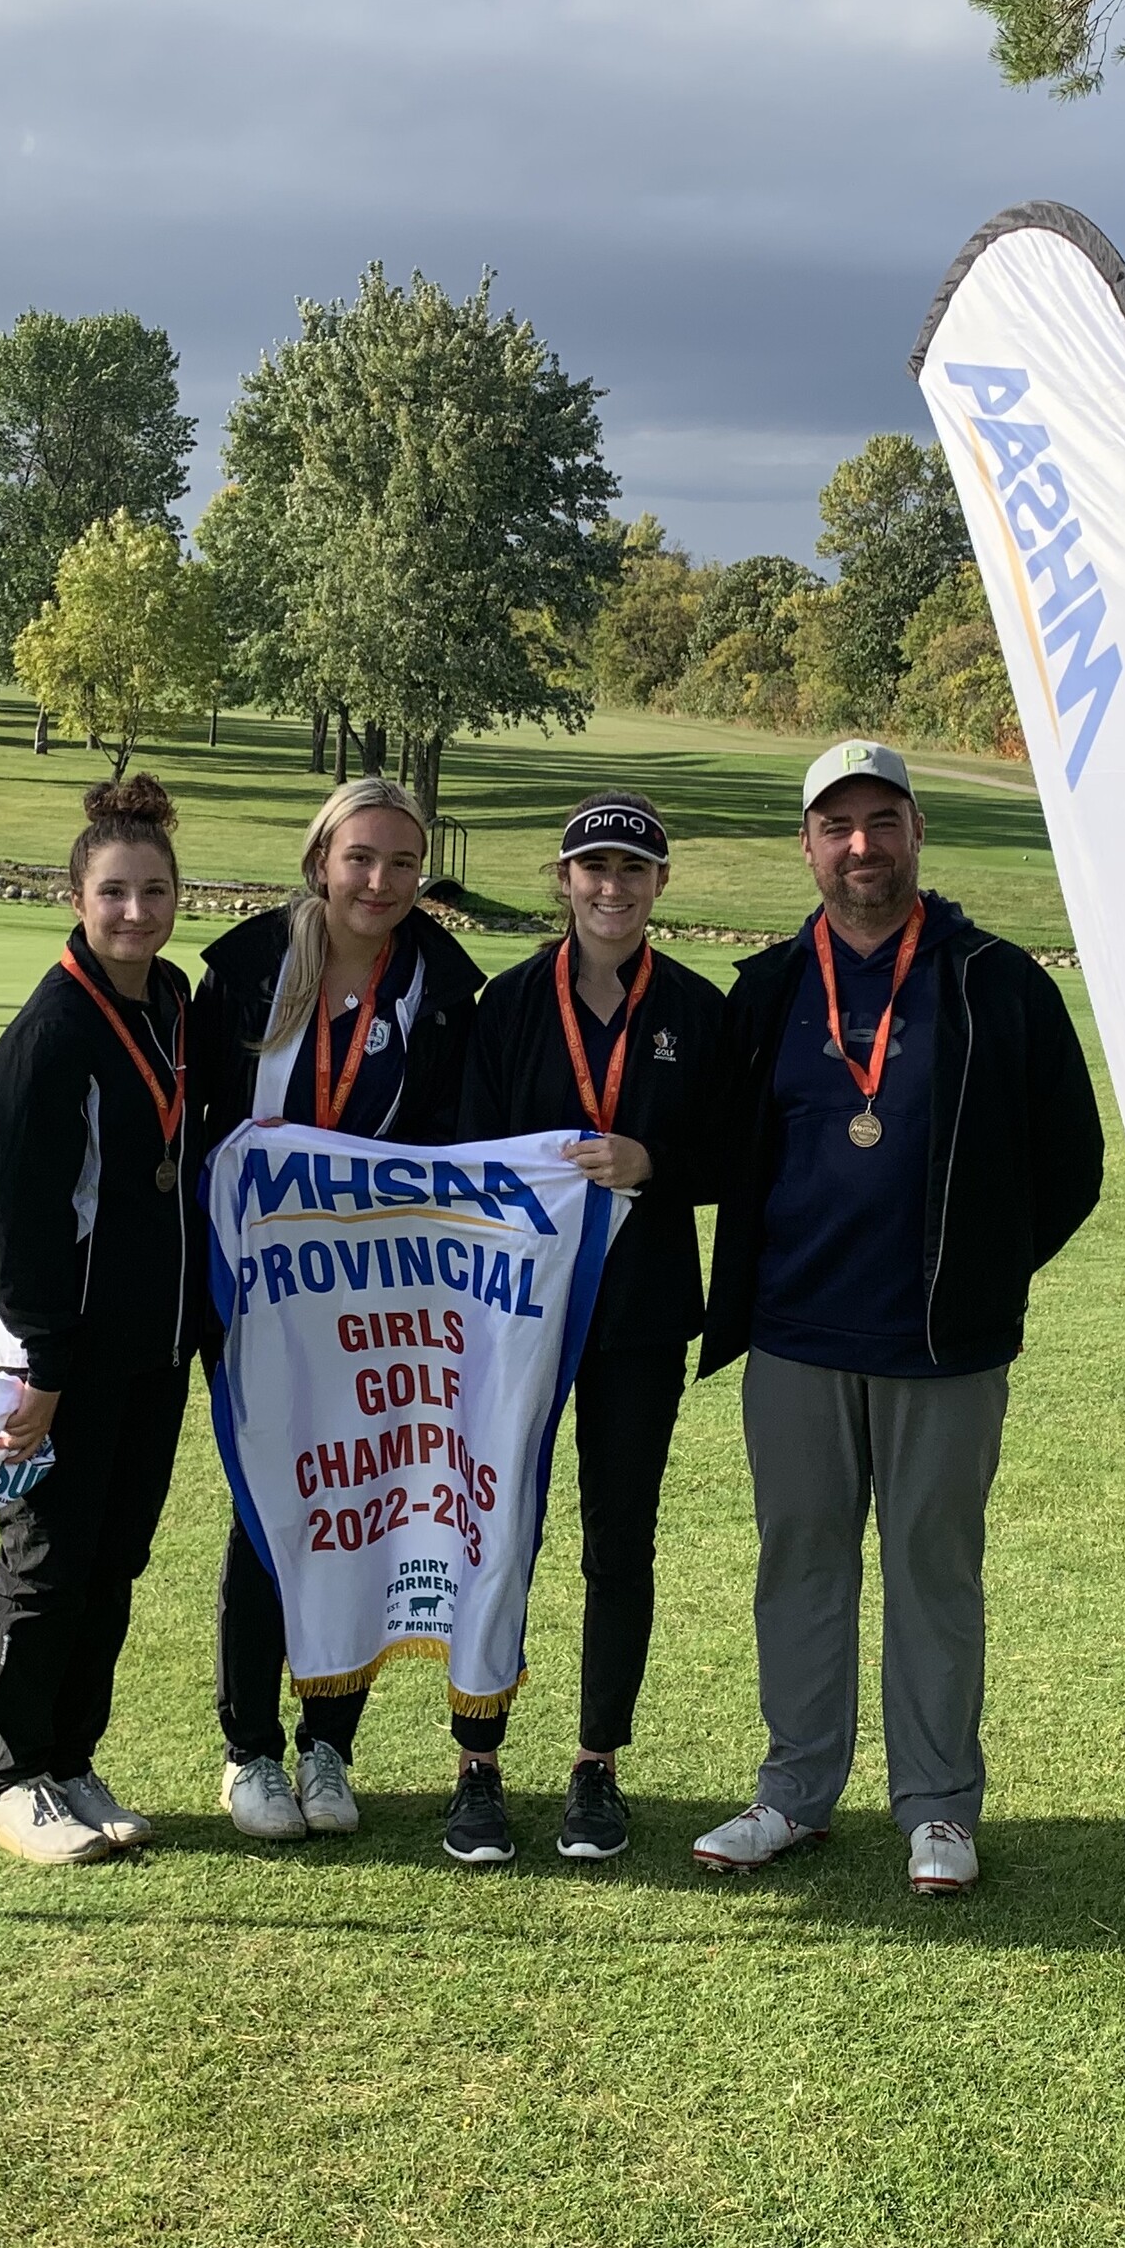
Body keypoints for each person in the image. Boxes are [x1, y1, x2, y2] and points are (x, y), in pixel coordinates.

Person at [688, 741, 1101, 1896]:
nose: (860, 845)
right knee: (799, 1568)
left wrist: (985, 1281)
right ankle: (796, 1793)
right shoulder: (768, 989)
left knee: (934, 1573)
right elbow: (723, 1150)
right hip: (795, 1340)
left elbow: (1069, 1162)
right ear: (808, 846)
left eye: (882, 821)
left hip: (941, 1351)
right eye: (837, 826)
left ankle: (937, 1810)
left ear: (918, 831)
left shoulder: (995, 981)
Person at [191, 775, 485, 1841]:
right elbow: (190, 1121)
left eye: (402, 863)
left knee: (359, 1506)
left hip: (377, 1303)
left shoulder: (446, 988)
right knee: (267, 1509)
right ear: (322, 860)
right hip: (258, 1295)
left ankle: (329, 1745)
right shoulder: (245, 971)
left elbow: (460, 1145)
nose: (381, 880)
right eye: (361, 857)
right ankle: (249, 1752)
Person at [446, 792, 725, 1868]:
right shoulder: (506, 1005)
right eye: (593, 870)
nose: (613, 889)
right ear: (562, 881)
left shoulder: (696, 1012)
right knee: (495, 1531)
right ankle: (477, 1764)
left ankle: (597, 1764)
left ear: (661, 886)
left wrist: (653, 1164)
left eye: (634, 872)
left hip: (641, 1316)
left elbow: (738, 1155)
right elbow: (467, 1157)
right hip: (512, 1317)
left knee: (620, 1544)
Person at [0, 776, 207, 1865]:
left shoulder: (171, 1001)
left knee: (116, 1555)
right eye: (114, 892)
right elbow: (21, 1228)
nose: (136, 913)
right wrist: (46, 1373)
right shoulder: (50, 1032)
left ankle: (70, 1758)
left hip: (151, 1346)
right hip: (57, 1350)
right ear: (75, 894)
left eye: (154, 891)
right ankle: (10, 1777)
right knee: (50, 1556)